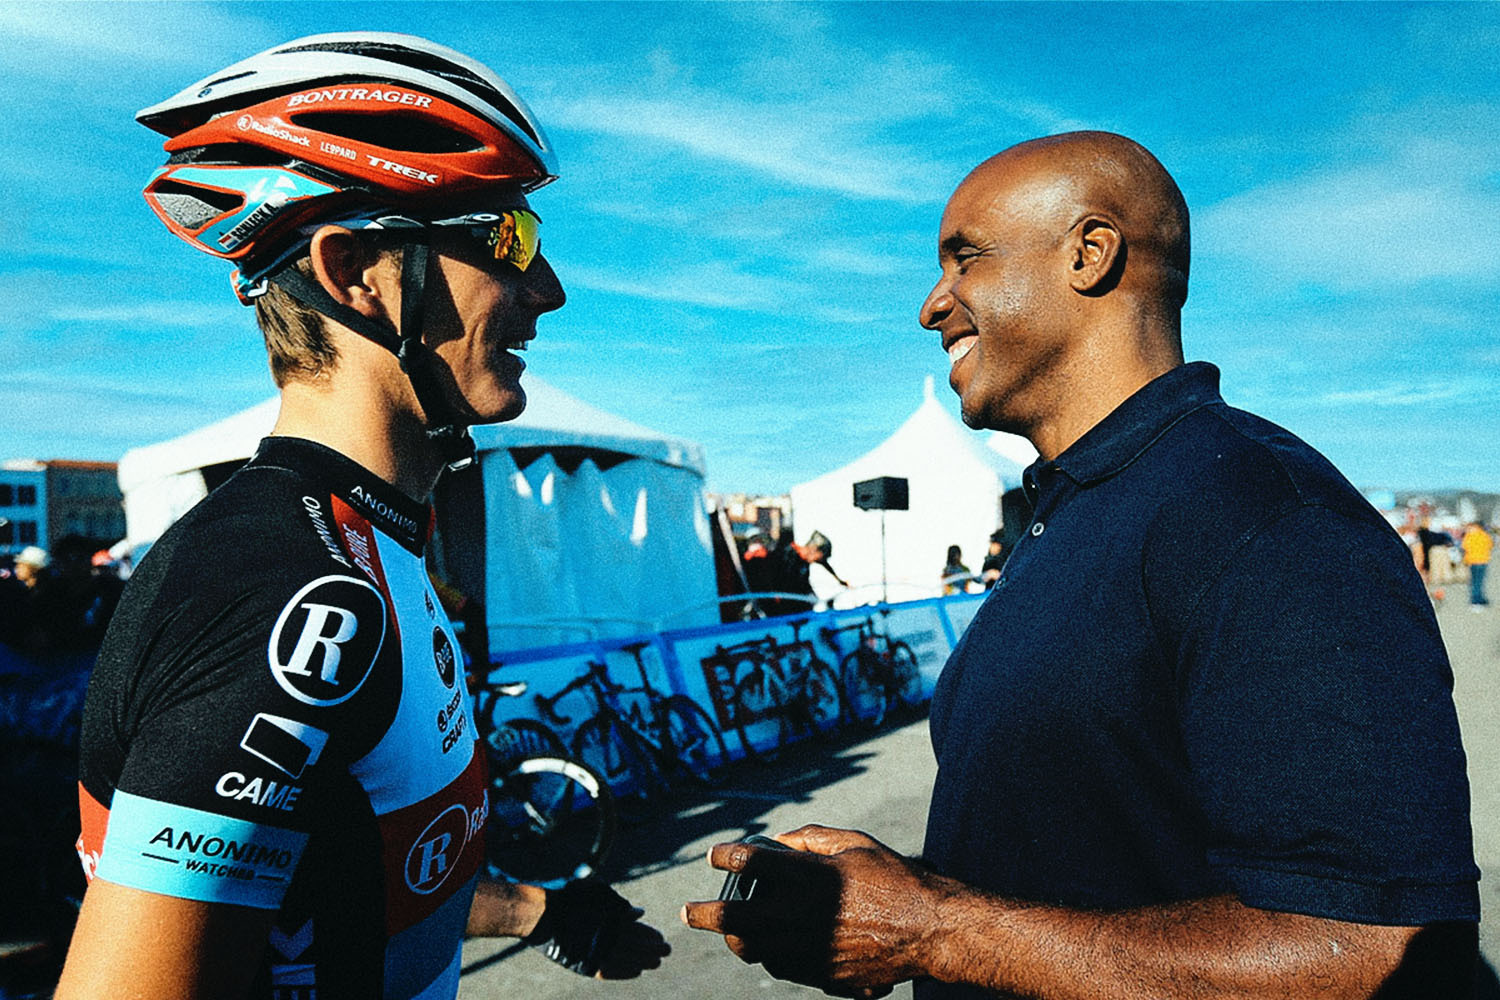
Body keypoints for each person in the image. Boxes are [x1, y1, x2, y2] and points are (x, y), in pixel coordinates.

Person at [684, 132, 1478, 998]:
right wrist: (901, 895)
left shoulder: (1263, 517)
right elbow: (1103, 851)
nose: (932, 306)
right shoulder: (1077, 507)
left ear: (1091, 254)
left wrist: (937, 932)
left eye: (967, 259)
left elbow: (1380, 951)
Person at [58, 33, 666, 1000]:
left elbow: (323, 862)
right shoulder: (285, 586)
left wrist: (540, 911)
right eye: (508, 239)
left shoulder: (362, 543)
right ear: (356, 274)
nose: (548, 291)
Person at [1462, 520, 1492, 609]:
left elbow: (1464, 546)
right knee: (1480, 581)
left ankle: (1476, 599)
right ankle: (1478, 598)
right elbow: (1490, 545)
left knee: (1474, 581)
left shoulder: (1469, 536)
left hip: (1472, 560)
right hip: (1483, 560)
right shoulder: (1485, 535)